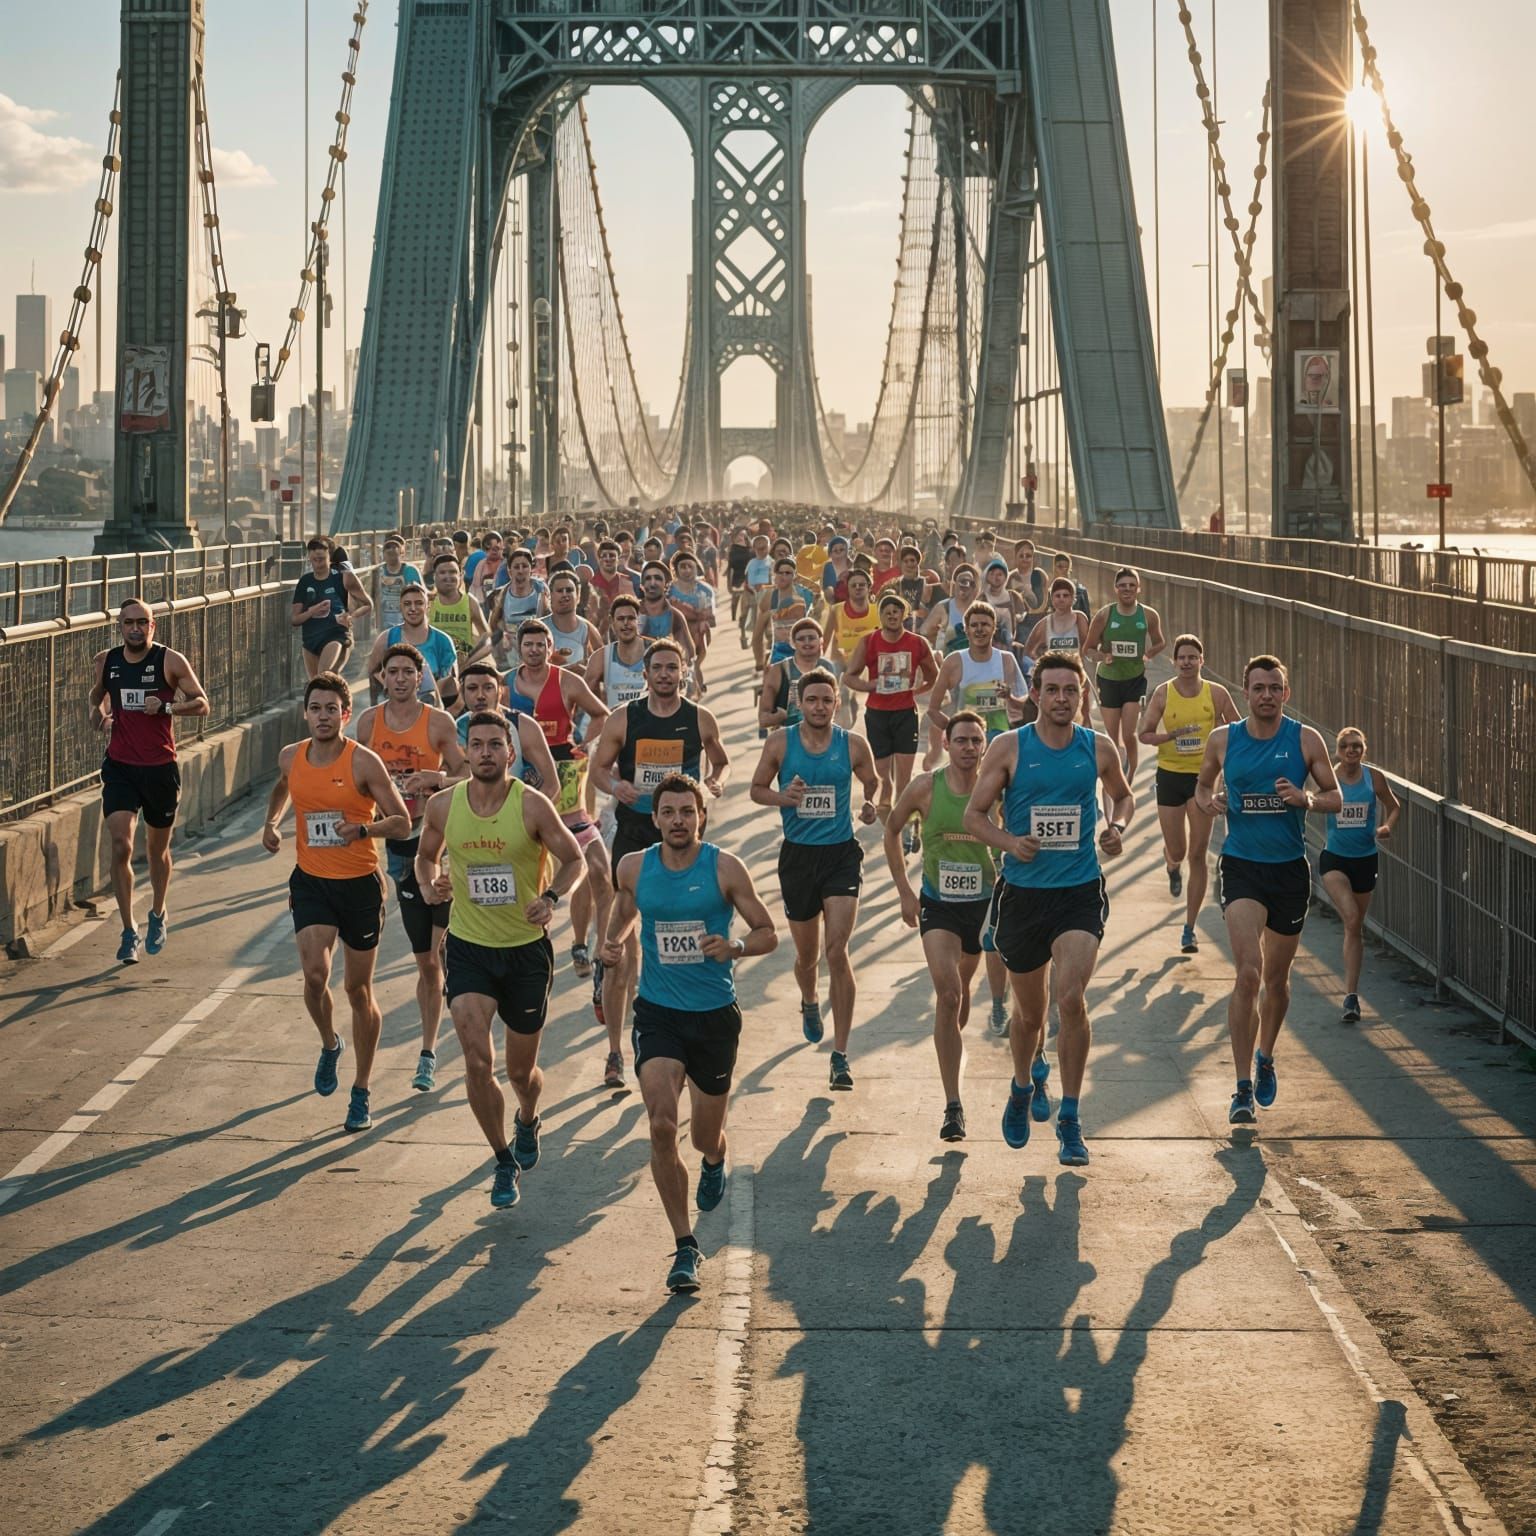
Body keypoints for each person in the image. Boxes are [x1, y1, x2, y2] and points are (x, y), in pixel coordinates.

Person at [602, 774, 778, 1292]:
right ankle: (684, 1246)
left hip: (714, 1016)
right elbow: (626, 910)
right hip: (658, 1014)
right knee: (660, 1124)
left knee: (703, 1135)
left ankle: (715, 1158)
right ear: (655, 819)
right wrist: (611, 942)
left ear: (701, 816)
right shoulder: (634, 866)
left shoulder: (724, 867)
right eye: (669, 811)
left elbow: (767, 930)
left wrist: (738, 948)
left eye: (688, 811)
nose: (679, 820)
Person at [963, 651, 1134, 1166]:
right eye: (1052, 689)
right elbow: (975, 816)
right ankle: (1022, 1085)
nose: (1062, 699)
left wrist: (1116, 828)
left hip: (1078, 890)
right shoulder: (1009, 747)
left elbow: (1122, 797)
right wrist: (1010, 843)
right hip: (1023, 894)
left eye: (1071, 690)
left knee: (1071, 1000)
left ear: (1083, 695)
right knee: (1030, 1015)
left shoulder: (1097, 747)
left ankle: (1071, 1117)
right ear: (1035, 693)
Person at [414, 711, 587, 1208]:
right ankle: (502, 1160)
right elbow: (426, 856)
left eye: (497, 745)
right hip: (469, 947)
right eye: (478, 744)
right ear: (465, 751)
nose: (486, 753)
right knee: (475, 1059)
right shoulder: (444, 806)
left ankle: (528, 1117)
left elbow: (573, 858)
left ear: (511, 753)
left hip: (525, 952)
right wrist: (429, 885)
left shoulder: (531, 806)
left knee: (519, 1073)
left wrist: (552, 898)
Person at [261, 672, 412, 1134]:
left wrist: (365, 830)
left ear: (345, 714)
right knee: (314, 975)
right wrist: (272, 822)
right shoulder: (292, 756)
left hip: (360, 886)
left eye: (332, 709)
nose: (323, 716)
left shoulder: (363, 763)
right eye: (316, 708)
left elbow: (403, 822)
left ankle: (362, 1090)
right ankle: (330, 1044)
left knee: (357, 991)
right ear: (305, 713)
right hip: (311, 882)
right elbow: (283, 786)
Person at [1195, 655, 1341, 1125]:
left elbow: (1336, 796)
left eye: (1274, 688)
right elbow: (1200, 788)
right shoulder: (1224, 740)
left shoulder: (1304, 739)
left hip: (1288, 872)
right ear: (1244, 692)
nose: (1266, 695)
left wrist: (1307, 799)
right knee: (1248, 975)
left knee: (1276, 983)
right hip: (1241, 867)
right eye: (1258, 688)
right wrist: (1212, 801)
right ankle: (1240, 1089)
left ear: (1286, 693)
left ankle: (1266, 1056)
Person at [588, 640, 729, 1086]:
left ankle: (680, 1035)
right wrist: (616, 787)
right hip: (634, 834)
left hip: (685, 838)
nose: (666, 675)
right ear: (645, 675)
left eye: (673, 668)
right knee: (621, 948)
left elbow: (722, 762)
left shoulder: (699, 718)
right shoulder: (624, 718)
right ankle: (615, 1052)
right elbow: (598, 768)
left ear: (684, 672)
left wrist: (714, 783)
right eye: (658, 669)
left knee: (678, 938)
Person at [749, 669, 879, 1089]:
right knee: (808, 958)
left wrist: (871, 804)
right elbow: (755, 789)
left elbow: (872, 780)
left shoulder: (853, 744)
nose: (819, 706)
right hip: (798, 859)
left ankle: (840, 1055)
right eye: (812, 700)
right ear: (799, 703)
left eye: (827, 700)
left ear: (837, 703)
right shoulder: (780, 742)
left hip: (840, 854)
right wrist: (781, 797)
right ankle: (809, 999)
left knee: (836, 949)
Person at [354, 644, 468, 1092]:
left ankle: (427, 1052)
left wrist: (433, 780)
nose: (400, 678)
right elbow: (355, 777)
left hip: (438, 839)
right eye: (392, 671)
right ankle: (441, 1012)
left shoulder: (439, 724)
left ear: (422, 678)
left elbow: (468, 774)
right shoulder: (368, 723)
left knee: (438, 951)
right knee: (424, 961)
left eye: (408, 672)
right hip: (399, 847)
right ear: (381, 677)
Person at [881, 711, 995, 1142]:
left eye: (975, 740)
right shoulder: (926, 787)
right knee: (948, 995)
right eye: (960, 740)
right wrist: (905, 891)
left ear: (985, 745)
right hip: (939, 906)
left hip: (984, 907)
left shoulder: (996, 786)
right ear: (945, 744)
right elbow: (891, 831)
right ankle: (953, 1106)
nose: (968, 747)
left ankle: (954, 1043)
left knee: (963, 993)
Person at [89, 597, 210, 963]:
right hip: (120, 767)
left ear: (152, 626)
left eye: (143, 622)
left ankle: (157, 913)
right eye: (129, 623)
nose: (136, 629)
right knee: (122, 845)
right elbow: (97, 701)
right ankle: (128, 931)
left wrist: (168, 707)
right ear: (120, 626)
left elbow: (202, 703)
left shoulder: (169, 661)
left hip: (159, 768)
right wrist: (101, 718)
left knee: (157, 852)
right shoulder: (105, 661)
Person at [504, 620, 613, 980]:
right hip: (523, 780)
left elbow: (600, 714)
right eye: (529, 644)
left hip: (565, 780)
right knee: (528, 872)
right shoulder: (505, 685)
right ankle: (530, 948)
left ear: (551, 647)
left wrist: (585, 744)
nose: (535, 650)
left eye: (541, 644)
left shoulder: (567, 681)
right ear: (518, 648)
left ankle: (584, 944)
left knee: (589, 864)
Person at [1138, 635, 1241, 953]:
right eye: (1181, 657)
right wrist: (1170, 736)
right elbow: (1144, 734)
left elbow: (1238, 732)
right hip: (1169, 776)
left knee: (1198, 854)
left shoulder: (1217, 694)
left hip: (1203, 780)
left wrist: (1220, 756)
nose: (1186, 662)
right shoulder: (1163, 693)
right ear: (1174, 661)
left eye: (1192, 657)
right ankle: (1171, 865)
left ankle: (1189, 928)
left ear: (1202, 660)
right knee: (1179, 850)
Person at [840, 592, 937, 838]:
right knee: (884, 779)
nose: (892, 615)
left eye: (897, 611)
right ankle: (892, 830)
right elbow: (849, 677)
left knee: (903, 777)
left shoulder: (917, 643)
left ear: (904, 615)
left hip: (905, 713)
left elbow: (934, 675)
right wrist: (869, 686)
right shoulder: (869, 642)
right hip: (877, 715)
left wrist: (917, 690)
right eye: (887, 611)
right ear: (880, 616)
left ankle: (904, 829)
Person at [1320, 727, 1399, 1024]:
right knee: (1352, 918)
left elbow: (1394, 806)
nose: (1351, 750)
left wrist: (1387, 826)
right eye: (1345, 746)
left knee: (1355, 929)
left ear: (1364, 749)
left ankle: (1351, 996)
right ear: (1338, 750)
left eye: (1357, 746)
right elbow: (1312, 801)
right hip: (1335, 860)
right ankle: (1351, 997)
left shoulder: (1373, 778)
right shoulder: (1329, 777)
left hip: (1365, 859)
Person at [1085, 567, 1165, 790]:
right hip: (1109, 679)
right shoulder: (1104, 615)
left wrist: (1148, 654)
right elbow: (1088, 649)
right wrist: (1103, 656)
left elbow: (1161, 642)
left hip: (1134, 679)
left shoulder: (1148, 615)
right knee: (1112, 736)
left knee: (1129, 733)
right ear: (1116, 589)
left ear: (1139, 588)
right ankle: (1114, 776)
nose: (1127, 589)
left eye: (1132, 585)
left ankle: (1128, 780)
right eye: (1123, 585)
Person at [926, 601, 1029, 744]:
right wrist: (955, 732)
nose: (979, 629)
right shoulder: (954, 661)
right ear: (966, 629)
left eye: (985, 624)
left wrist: (1010, 697)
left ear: (994, 628)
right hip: (968, 746)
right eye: (974, 625)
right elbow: (933, 710)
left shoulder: (1006, 659)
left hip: (1000, 740)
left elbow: (1024, 704)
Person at [454, 661, 560, 793]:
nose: (480, 696)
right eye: (472, 688)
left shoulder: (523, 725)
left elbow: (551, 786)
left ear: (500, 692)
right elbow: (459, 779)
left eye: (488, 688)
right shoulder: (457, 728)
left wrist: (528, 812)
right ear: (462, 694)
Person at [367, 582, 458, 709]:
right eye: (407, 604)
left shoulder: (443, 641)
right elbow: (373, 673)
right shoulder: (386, 638)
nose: (413, 608)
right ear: (400, 607)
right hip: (395, 709)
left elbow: (451, 683)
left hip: (433, 709)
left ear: (428, 606)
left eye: (419, 603)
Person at [292, 537, 371, 678]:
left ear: (330, 557)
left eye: (321, 559)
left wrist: (350, 616)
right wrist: (312, 611)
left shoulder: (343, 576)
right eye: (314, 560)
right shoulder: (305, 581)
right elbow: (295, 619)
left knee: (323, 676)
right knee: (318, 685)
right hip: (311, 638)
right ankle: (342, 698)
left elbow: (367, 604)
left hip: (336, 634)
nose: (318, 564)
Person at [1024, 577, 1093, 727]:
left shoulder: (1079, 618)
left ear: (1073, 598)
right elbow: (1028, 650)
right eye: (1057, 595)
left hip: (1077, 673)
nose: (1061, 599)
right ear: (1051, 598)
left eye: (1066, 595)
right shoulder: (1045, 623)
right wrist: (1042, 661)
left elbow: (1086, 646)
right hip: (1054, 675)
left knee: (1083, 713)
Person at [584, 594, 650, 713]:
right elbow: (582, 700)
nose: (626, 623)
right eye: (620, 619)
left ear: (638, 620)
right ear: (611, 621)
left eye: (631, 618)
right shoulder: (601, 657)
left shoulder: (655, 651)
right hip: (615, 726)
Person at [758, 616, 824, 735]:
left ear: (821, 641)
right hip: (789, 739)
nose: (807, 642)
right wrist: (780, 716)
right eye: (801, 639)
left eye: (811, 638)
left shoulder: (829, 668)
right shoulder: (779, 670)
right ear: (792, 643)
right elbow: (763, 718)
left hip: (824, 739)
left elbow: (840, 711)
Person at [429, 553, 492, 670]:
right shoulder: (428, 603)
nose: (448, 576)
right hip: (434, 668)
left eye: (453, 572)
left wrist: (468, 662)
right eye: (442, 573)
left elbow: (487, 640)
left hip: (462, 670)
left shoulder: (469, 602)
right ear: (434, 576)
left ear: (461, 575)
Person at [752, 557, 818, 670]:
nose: (783, 576)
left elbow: (818, 592)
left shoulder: (804, 594)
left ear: (794, 575)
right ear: (775, 575)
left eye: (788, 573)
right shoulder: (770, 596)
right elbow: (758, 632)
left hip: (803, 650)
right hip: (779, 652)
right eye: (780, 573)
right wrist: (759, 660)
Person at [668, 552, 717, 693]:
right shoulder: (669, 590)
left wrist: (700, 619)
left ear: (696, 568)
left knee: (695, 662)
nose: (687, 570)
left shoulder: (705, 590)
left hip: (698, 633)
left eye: (690, 566)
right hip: (675, 632)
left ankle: (695, 683)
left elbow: (711, 617)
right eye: (683, 567)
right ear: (676, 570)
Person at [491, 548, 549, 662]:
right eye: (516, 567)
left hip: (536, 653)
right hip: (511, 656)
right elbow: (493, 624)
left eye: (525, 566)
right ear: (510, 571)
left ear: (531, 569)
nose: (521, 571)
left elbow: (549, 619)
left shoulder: (540, 590)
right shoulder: (502, 594)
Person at [372, 535, 423, 636]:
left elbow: (419, 596)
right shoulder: (379, 572)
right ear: (383, 555)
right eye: (388, 549)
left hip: (407, 619)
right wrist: (377, 624)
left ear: (402, 553)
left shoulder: (410, 571)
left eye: (394, 548)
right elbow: (377, 597)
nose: (391, 550)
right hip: (385, 621)